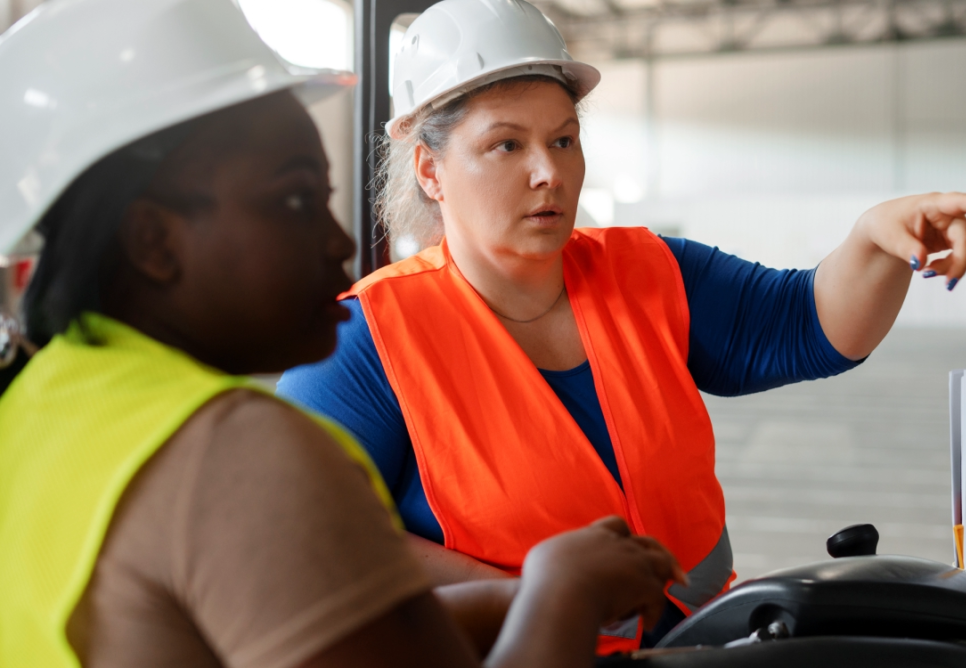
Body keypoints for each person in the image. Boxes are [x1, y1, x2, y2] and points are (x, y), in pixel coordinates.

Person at [276, 0, 966, 651]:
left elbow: (808, 326)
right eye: (507, 145)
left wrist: (873, 243)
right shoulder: (365, 341)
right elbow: (309, 541)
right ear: (431, 171)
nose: (549, 173)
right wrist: (546, 595)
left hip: (695, 643)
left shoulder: (652, 271)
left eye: (563, 140)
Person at [0, 1, 687, 667]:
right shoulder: (237, 454)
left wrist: (521, 597)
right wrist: (563, 592)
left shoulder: (37, 406)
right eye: (294, 199)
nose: (336, 243)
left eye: (563, 139)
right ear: (153, 241)